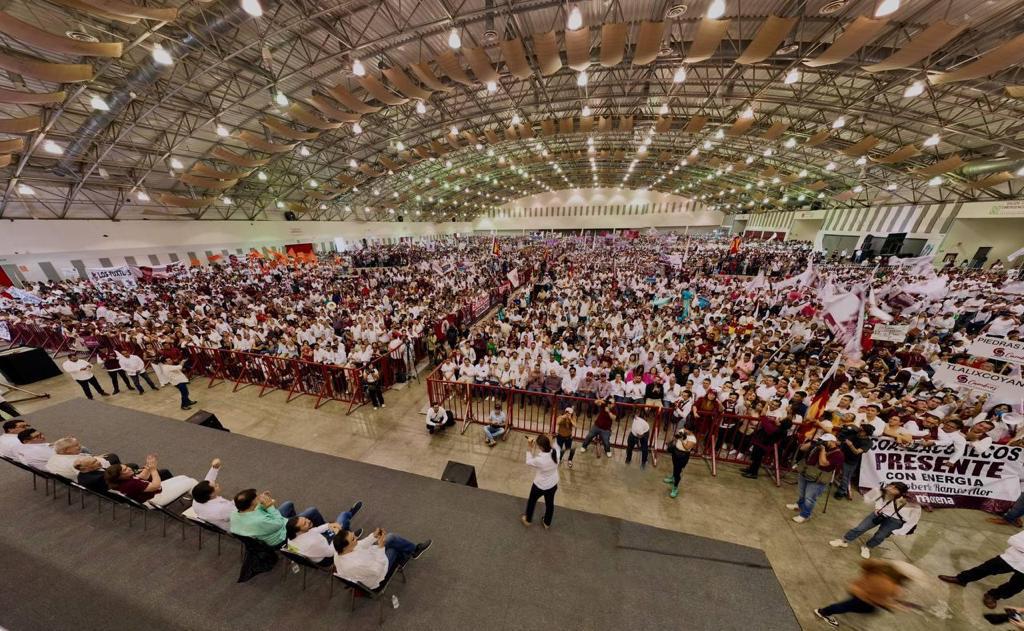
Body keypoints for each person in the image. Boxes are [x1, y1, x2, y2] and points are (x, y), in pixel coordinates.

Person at [830, 482, 920, 559]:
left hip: (895, 521)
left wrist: (898, 531)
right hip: (880, 514)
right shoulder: (883, 492)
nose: (890, 488)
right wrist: (878, 507)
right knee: (860, 528)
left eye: (894, 488)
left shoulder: (913, 504)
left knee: (880, 536)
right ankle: (844, 541)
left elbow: (913, 521)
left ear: (901, 492)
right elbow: (869, 498)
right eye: (891, 486)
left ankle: (867, 547)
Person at [939, 531, 1024, 609]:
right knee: (985, 569)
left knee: (1016, 586)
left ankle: (993, 595)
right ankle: (962, 579)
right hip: (1012, 558)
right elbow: (1013, 540)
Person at [814, 559, 911, 627]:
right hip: (862, 596)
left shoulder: (881, 570)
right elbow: (877, 600)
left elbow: (866, 566)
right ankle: (823, 612)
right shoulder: (889, 585)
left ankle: (826, 611)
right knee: (846, 606)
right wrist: (893, 605)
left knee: (865, 609)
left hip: (857, 588)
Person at [333, 526, 432, 590]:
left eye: (353, 534)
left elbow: (361, 544)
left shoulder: (340, 551)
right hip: (377, 577)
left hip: (371, 560)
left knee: (391, 537)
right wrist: (381, 547)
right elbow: (377, 569)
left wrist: (374, 536)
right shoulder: (354, 565)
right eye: (353, 538)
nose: (356, 537)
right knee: (393, 549)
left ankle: (413, 551)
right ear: (345, 547)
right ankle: (402, 560)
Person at [230, 488, 324, 548]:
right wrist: (269, 506)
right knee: (312, 511)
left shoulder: (235, 513)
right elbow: (279, 523)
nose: (259, 497)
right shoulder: (259, 521)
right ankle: (325, 532)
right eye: (257, 497)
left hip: (268, 526)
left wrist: (262, 503)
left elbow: (255, 511)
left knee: (288, 504)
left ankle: (298, 527)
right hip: (280, 536)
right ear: (252, 503)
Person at [787, 433, 844, 523]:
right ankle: (799, 505)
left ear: (832, 442)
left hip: (818, 478)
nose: (823, 442)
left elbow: (823, 463)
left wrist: (822, 450)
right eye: (822, 440)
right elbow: (802, 448)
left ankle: (805, 515)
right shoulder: (817, 446)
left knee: (809, 498)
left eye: (825, 441)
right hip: (806, 471)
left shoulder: (838, 454)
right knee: (802, 493)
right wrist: (812, 442)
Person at [286, 500, 364, 565]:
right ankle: (350, 537)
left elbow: (315, 530)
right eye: (305, 523)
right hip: (328, 556)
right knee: (343, 517)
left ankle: (349, 535)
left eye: (305, 519)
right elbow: (330, 552)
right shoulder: (312, 543)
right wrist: (337, 535)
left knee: (338, 524)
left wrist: (329, 525)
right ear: (299, 531)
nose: (308, 521)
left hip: (322, 545)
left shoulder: (292, 535)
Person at [105, 455, 196, 507]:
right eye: (125, 470)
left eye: (126, 467)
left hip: (153, 492)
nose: (129, 468)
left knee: (183, 477)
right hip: (156, 499)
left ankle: (194, 496)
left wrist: (148, 466)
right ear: (119, 476)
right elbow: (156, 485)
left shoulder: (123, 480)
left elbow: (141, 477)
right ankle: (199, 503)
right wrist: (153, 470)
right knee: (191, 482)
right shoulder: (130, 484)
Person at [520, 434, 560, 529]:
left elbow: (528, 461)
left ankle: (528, 520)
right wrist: (549, 440)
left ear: (541, 447)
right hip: (553, 484)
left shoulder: (540, 460)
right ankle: (547, 523)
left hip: (540, 485)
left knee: (532, 501)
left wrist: (529, 447)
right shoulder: (556, 452)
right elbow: (554, 445)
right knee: (549, 504)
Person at [189, 458, 233, 530]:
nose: (217, 484)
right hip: (231, 526)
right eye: (215, 486)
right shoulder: (222, 508)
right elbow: (239, 514)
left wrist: (214, 468)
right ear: (211, 494)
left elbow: (208, 481)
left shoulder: (198, 498)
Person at [664, 428, 697, 499]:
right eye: (685, 428)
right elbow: (676, 437)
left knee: (678, 472)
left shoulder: (693, 439)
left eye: (687, 429)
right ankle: (673, 478)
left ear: (691, 430)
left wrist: (682, 440)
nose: (685, 430)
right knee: (675, 466)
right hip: (676, 452)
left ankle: (675, 488)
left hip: (683, 455)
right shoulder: (682, 430)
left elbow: (687, 448)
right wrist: (675, 438)